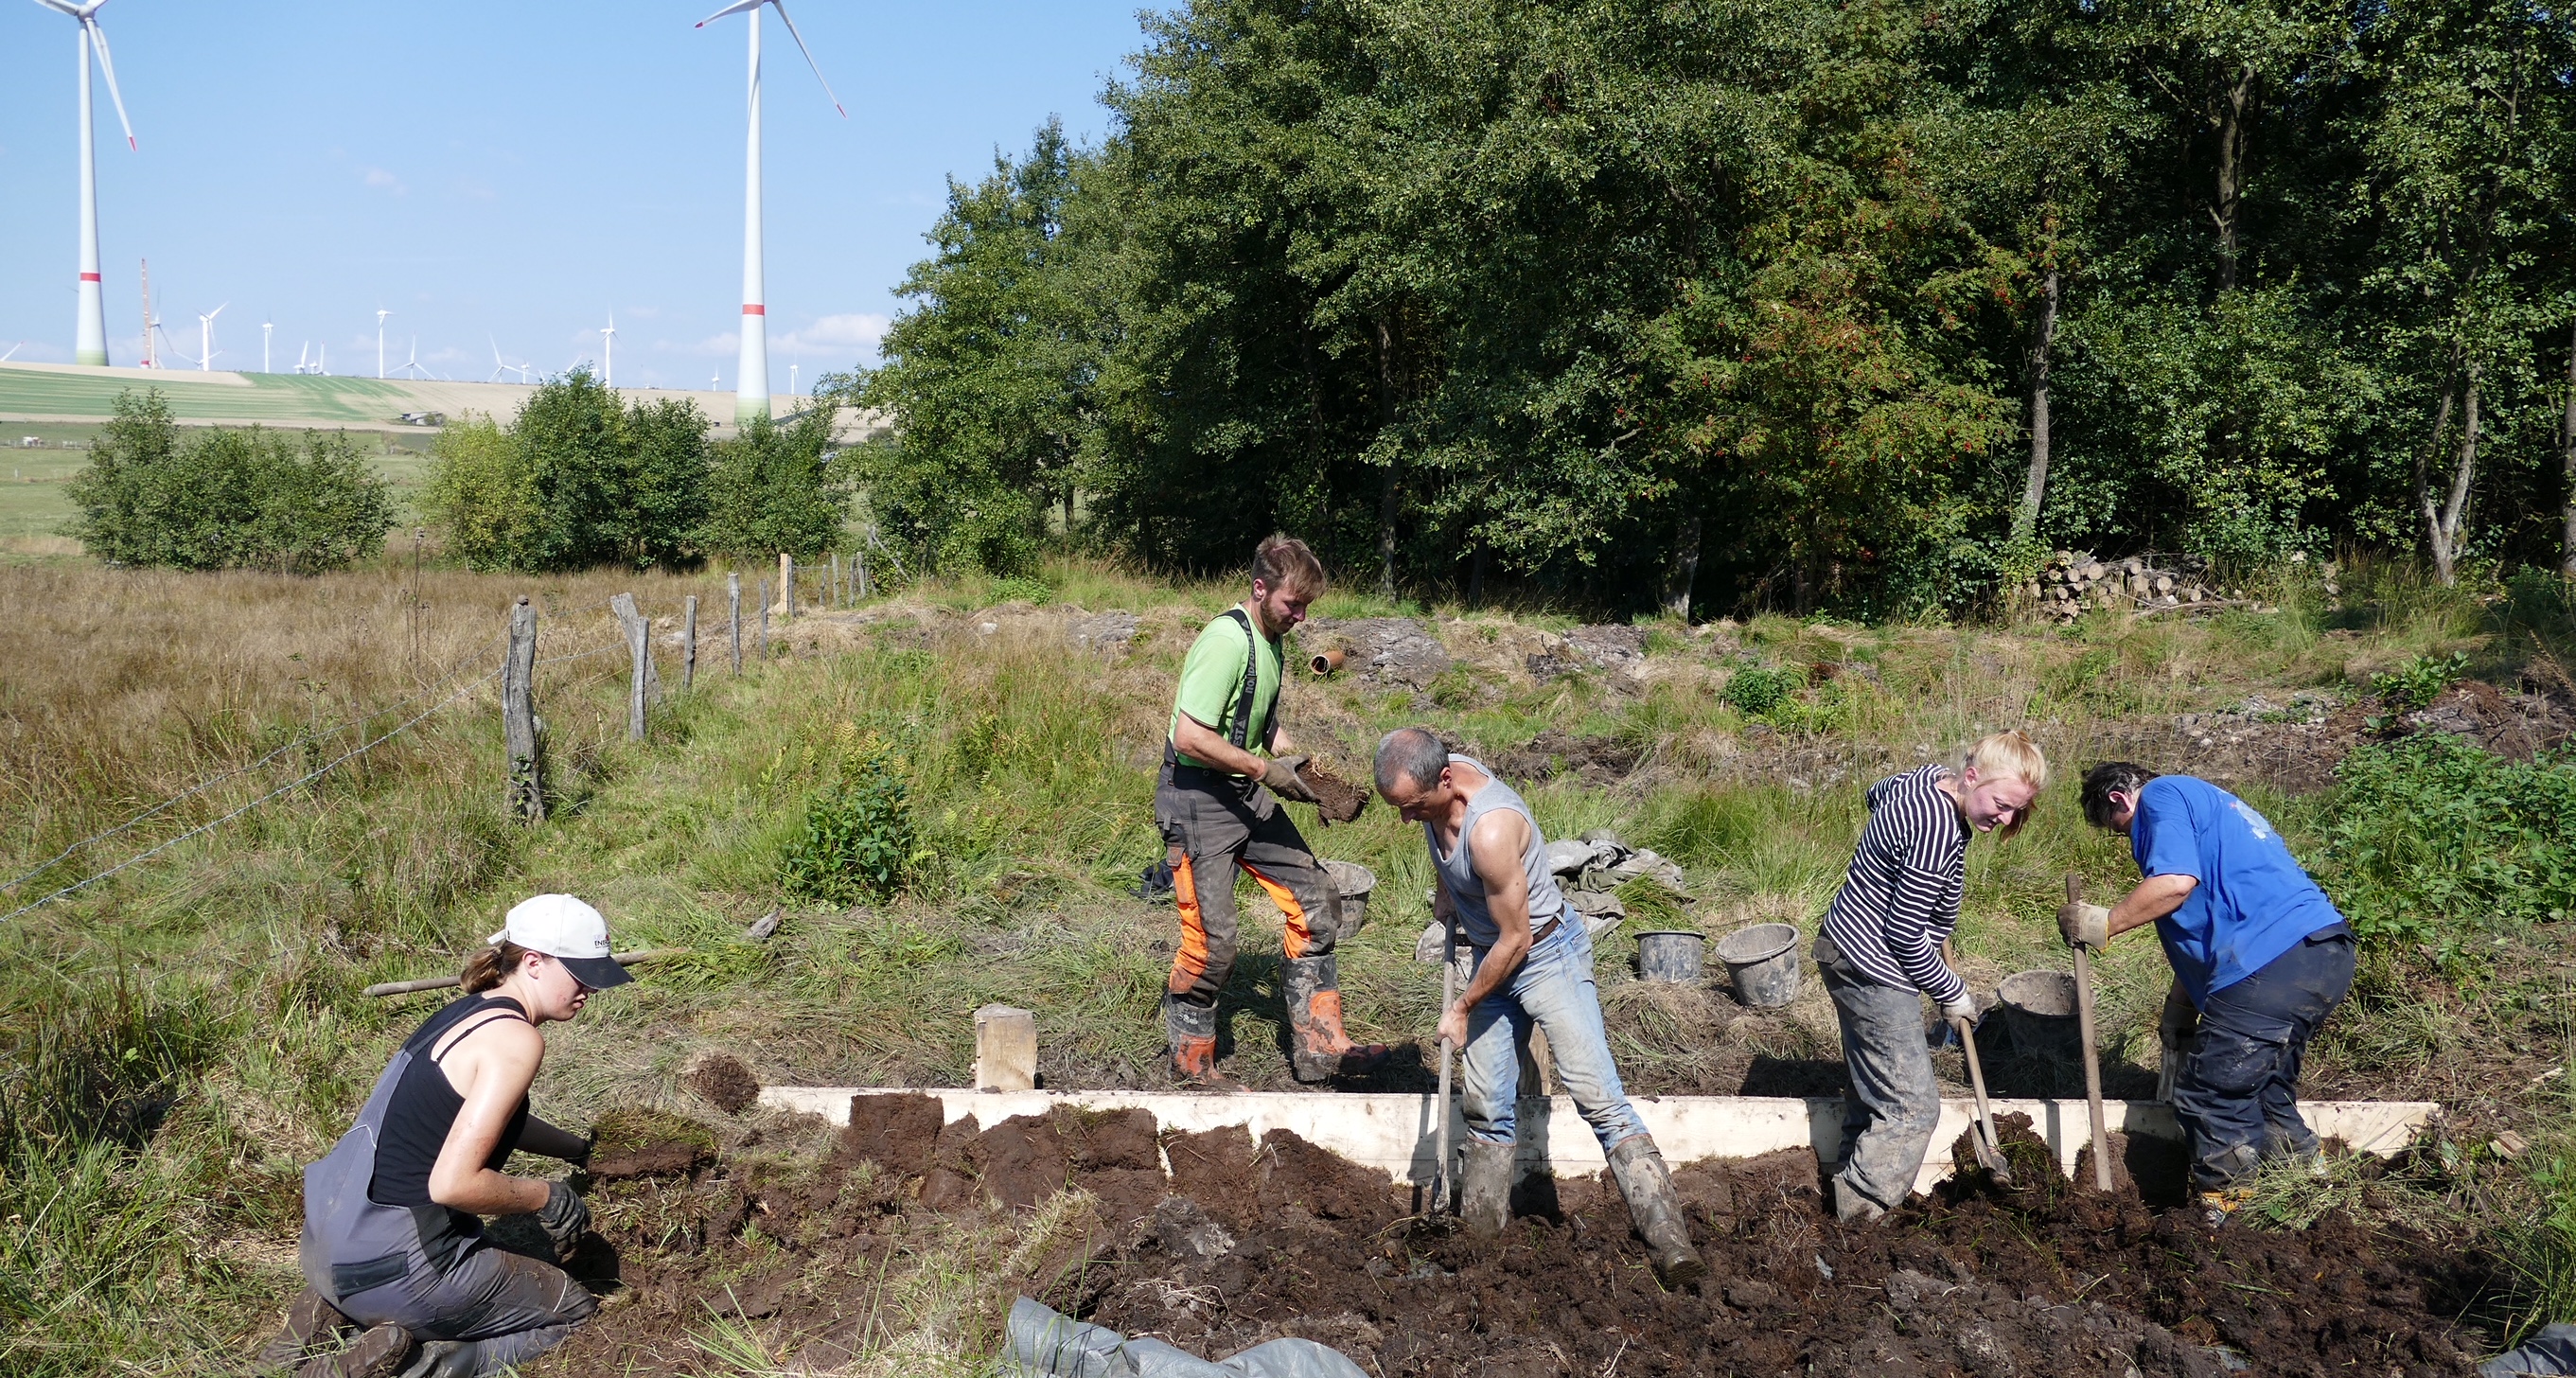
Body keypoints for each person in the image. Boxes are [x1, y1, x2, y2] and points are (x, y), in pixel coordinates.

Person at [1375, 727, 1707, 1287]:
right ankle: (1479, 1246)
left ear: (1447, 782)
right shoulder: (1435, 780)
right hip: (1491, 954)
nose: (1408, 820)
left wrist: (1462, 1006)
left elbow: (1516, 940)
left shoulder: (1493, 828)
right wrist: (1446, 888)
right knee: (1485, 1104)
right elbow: (1439, 836)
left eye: (1414, 808)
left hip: (1544, 954)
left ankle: (1671, 1243)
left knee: (1598, 1096)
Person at [258, 895, 626, 1378]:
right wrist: (546, 1196)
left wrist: (579, 1151)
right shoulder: (518, 1040)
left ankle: (324, 1317)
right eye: (580, 973)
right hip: (400, 1267)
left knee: (373, 1275)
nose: (589, 989)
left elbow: (492, 1121)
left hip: (333, 1239)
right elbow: (452, 1185)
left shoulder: (468, 1013)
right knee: (574, 1311)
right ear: (534, 963)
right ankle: (421, 1365)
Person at [2064, 763, 2355, 1221]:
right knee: (2263, 1088)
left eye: (2120, 831)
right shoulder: (2215, 812)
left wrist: (2101, 923)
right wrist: (2180, 1008)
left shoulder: (2161, 795)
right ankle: (2309, 1193)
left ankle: (2230, 1217)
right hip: (2319, 953)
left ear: (2120, 799)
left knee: (2212, 1093)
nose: (2131, 842)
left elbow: (2173, 885)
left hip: (2269, 961)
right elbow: (2208, 934)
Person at [1155, 535, 1390, 1086]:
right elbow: (1190, 736)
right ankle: (1192, 1069)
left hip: (1240, 793)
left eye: (1307, 606)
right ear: (1260, 589)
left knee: (1317, 901)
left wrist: (1303, 768)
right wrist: (1265, 771)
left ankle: (1322, 1049)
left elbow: (1258, 724)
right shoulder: (1225, 640)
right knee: (1214, 946)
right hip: (1196, 800)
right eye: (1293, 604)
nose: (1301, 617)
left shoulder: (1271, 639)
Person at [1816, 731, 2046, 1225]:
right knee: (1912, 1108)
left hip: (1842, 946)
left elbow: (1878, 791)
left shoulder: (1922, 784)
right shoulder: (1937, 829)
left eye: (2015, 810)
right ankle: (1861, 1217)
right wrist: (1952, 991)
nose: (2005, 818)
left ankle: (1843, 1180)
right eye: (2001, 803)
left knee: (1874, 1085)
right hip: (1872, 967)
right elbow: (1903, 933)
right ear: (1970, 777)